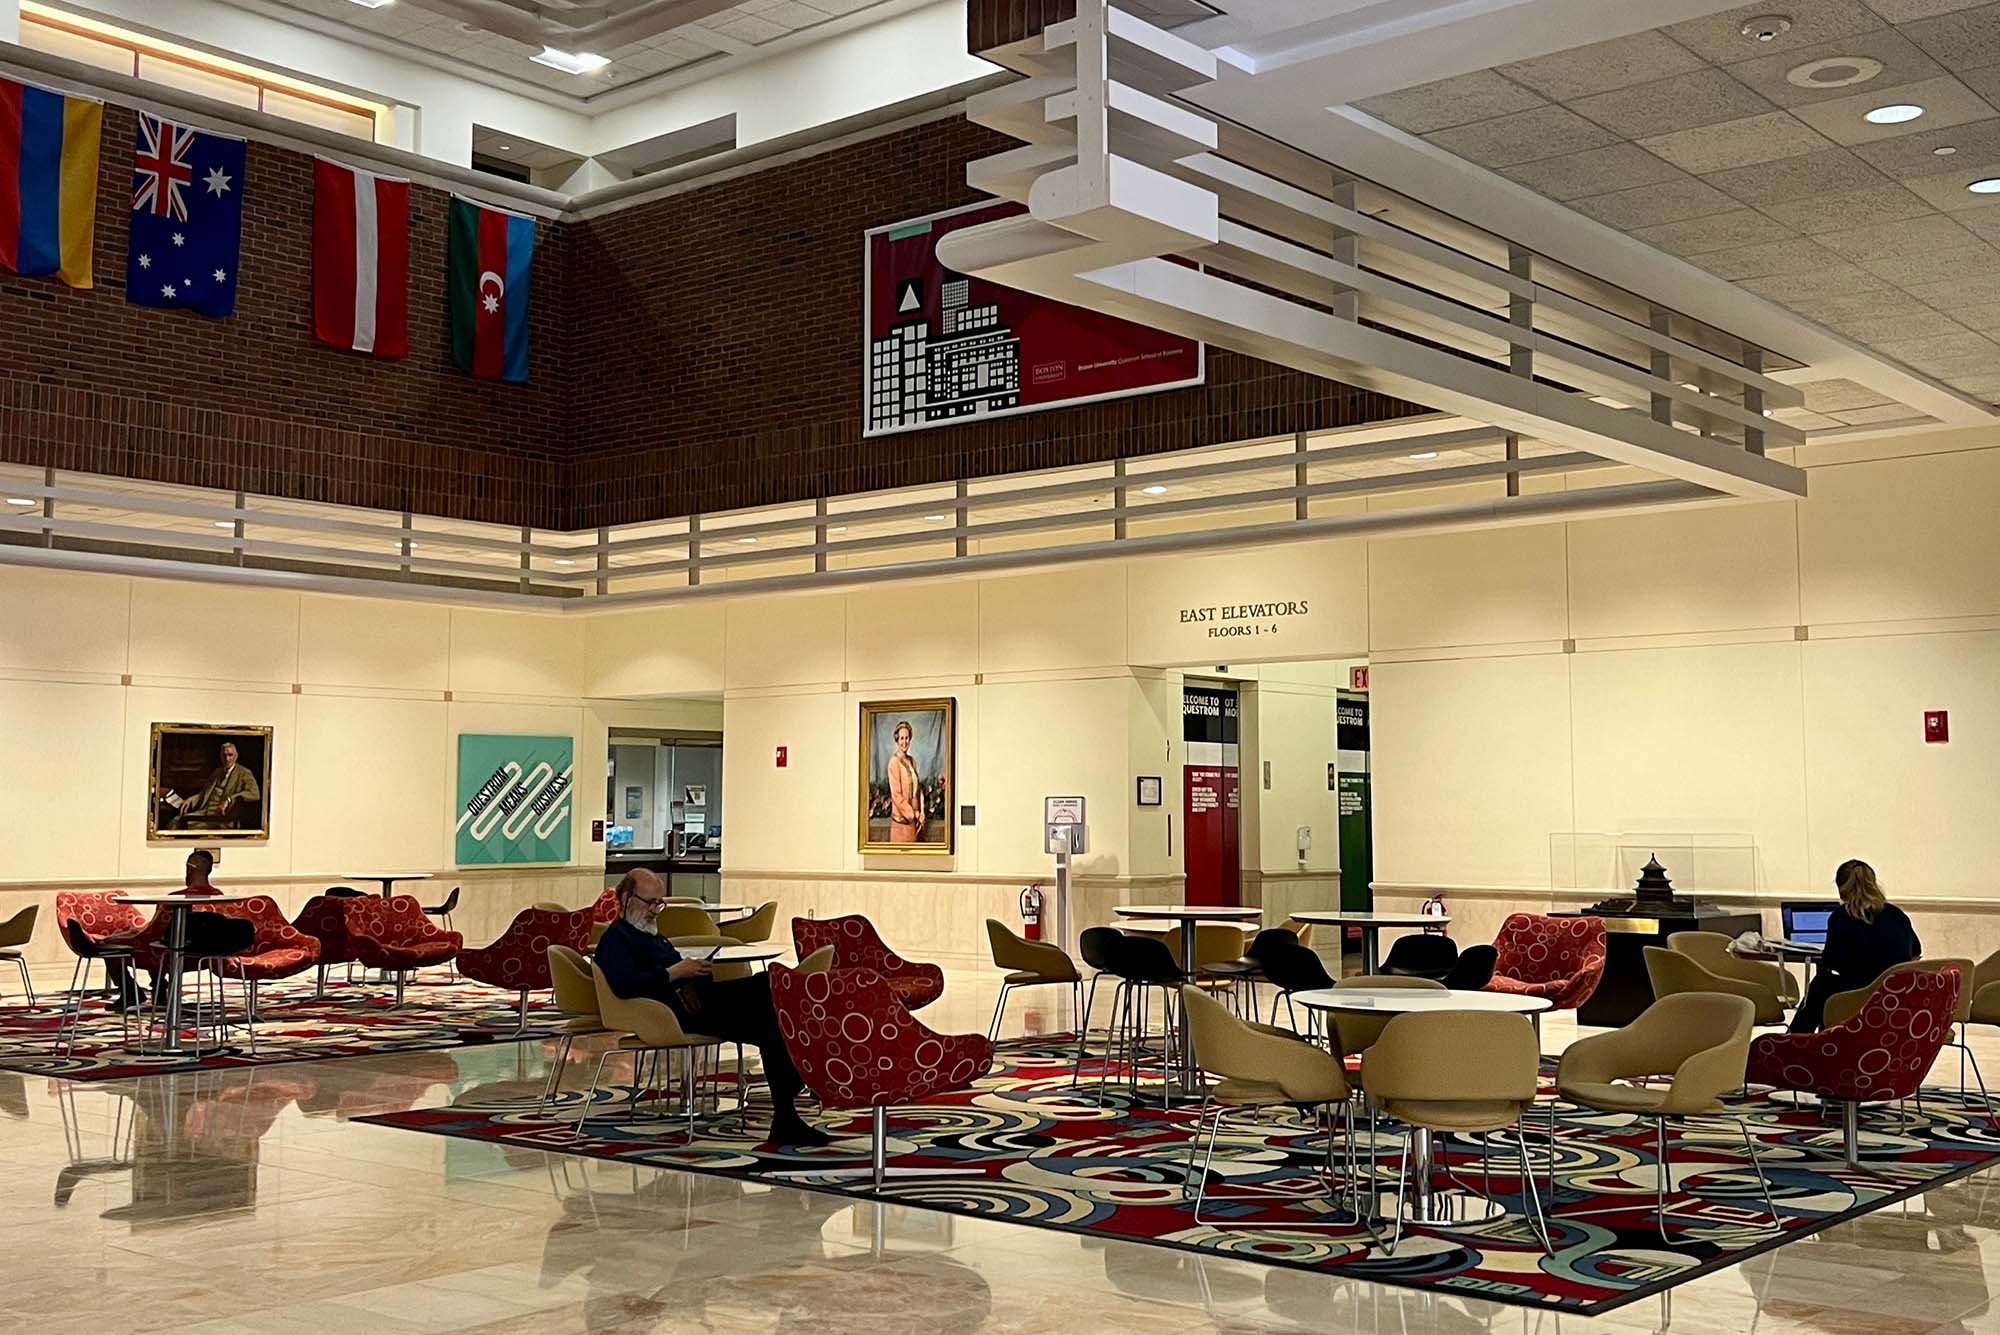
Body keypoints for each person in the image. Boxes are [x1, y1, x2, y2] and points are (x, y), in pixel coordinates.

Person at [593, 869, 829, 1146]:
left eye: (660, 903)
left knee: (772, 1007)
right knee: (771, 999)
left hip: (696, 1000)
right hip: (672, 1013)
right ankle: (797, 1093)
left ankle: (787, 1114)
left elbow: (670, 968)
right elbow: (625, 985)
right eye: (650, 903)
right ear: (626, 898)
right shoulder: (617, 938)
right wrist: (676, 972)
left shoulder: (649, 933)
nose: (655, 910)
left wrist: (694, 968)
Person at [1788, 858, 1922, 1032]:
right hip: (1893, 998)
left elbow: (1832, 961)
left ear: (1841, 888)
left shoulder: (1841, 917)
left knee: (1821, 984)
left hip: (1855, 998)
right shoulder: (1897, 915)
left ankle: (1796, 1039)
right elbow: (1915, 953)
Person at [163, 740, 261, 830]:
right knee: (175, 822)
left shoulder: (244, 773)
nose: (227, 758)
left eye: (230, 755)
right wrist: (190, 800)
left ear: (236, 756)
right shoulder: (217, 772)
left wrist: (229, 799)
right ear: (220, 756)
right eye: (224, 755)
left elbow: (254, 794)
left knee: (182, 826)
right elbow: (204, 794)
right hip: (204, 813)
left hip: (222, 818)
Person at [886, 720, 924, 844]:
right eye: (901, 738)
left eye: (907, 738)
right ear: (897, 739)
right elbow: (896, 796)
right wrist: (914, 814)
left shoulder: (912, 761)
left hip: (913, 826)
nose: (904, 742)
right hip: (900, 826)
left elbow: (918, 790)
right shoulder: (893, 763)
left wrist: (922, 812)